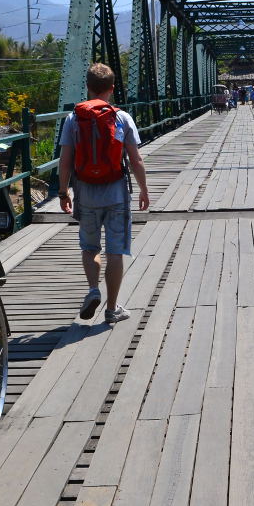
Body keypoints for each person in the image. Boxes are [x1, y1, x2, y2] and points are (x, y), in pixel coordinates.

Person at [57, 63, 149, 325]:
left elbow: (65, 161)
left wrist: (64, 192)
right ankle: (111, 309)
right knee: (115, 251)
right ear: (111, 88)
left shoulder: (73, 118)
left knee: (89, 247)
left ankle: (93, 289)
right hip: (117, 193)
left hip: (85, 193)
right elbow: (136, 159)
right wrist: (143, 189)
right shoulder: (122, 117)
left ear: (87, 87)